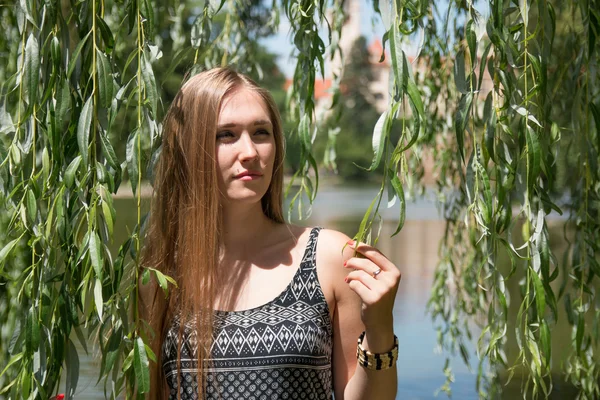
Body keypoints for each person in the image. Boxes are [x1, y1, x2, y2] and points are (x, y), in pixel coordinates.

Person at [139, 67, 401, 400]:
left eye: (261, 133)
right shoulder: (161, 277)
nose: (250, 152)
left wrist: (379, 329)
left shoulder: (331, 258)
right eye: (226, 135)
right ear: (188, 150)